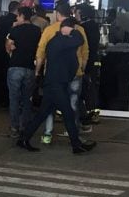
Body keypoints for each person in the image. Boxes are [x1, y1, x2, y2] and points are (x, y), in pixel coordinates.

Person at [17, 18, 96, 154]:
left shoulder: (60, 41)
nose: (74, 32)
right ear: (66, 29)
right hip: (56, 84)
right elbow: (79, 40)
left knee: (42, 113)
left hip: (56, 83)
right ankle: (76, 145)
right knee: (68, 113)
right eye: (72, 29)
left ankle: (23, 139)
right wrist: (73, 30)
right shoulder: (60, 41)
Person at [35, 0, 88, 144]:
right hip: (74, 73)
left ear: (58, 14)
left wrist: (37, 71)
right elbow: (85, 52)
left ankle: (47, 134)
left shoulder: (50, 30)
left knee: (50, 106)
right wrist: (82, 68)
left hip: (54, 74)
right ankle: (73, 135)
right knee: (73, 104)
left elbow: (40, 52)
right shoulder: (79, 30)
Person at [5, 6, 41, 138]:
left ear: (22, 16)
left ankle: (14, 127)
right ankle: (25, 126)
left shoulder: (15, 29)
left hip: (15, 66)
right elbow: (39, 49)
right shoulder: (37, 31)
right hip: (30, 68)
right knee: (27, 99)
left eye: (18, 16)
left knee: (14, 98)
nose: (16, 18)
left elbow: (8, 48)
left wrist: (11, 46)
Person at [76, 3, 101, 125]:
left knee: (83, 89)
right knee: (91, 88)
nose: (76, 15)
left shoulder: (83, 28)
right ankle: (93, 112)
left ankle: (86, 114)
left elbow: (84, 48)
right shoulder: (95, 26)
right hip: (93, 61)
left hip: (86, 63)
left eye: (78, 13)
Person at [0, 1, 20, 107]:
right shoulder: (16, 21)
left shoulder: (1, 19)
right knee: (8, 77)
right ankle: (6, 100)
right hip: (10, 52)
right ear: (17, 10)